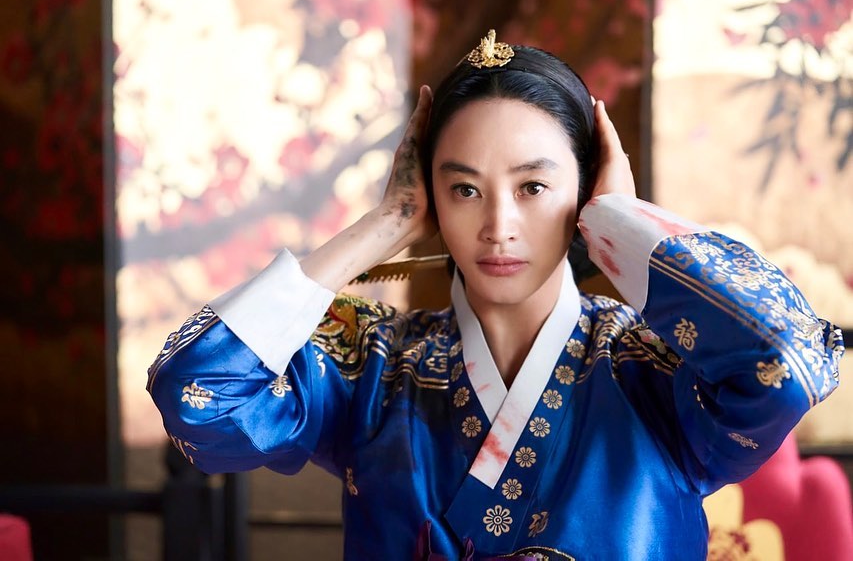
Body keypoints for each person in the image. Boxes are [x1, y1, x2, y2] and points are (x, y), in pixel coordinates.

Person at [147, 30, 844, 559]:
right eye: (464, 189)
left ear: (584, 190)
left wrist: (625, 227)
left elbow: (785, 365)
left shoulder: (648, 368)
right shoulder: (371, 366)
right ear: (429, 197)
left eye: (533, 186)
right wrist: (383, 225)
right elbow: (197, 393)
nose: (498, 226)